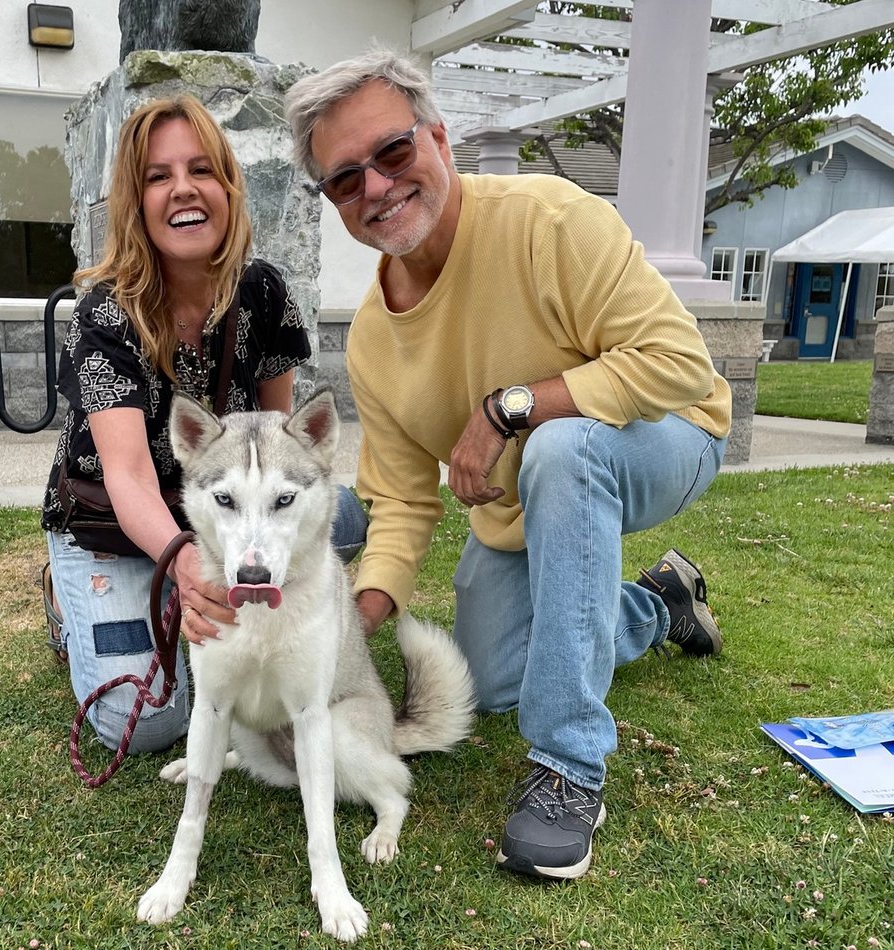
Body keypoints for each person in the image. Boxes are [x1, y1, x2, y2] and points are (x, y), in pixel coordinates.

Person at [285, 51, 732, 880]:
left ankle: (569, 766)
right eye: (346, 179)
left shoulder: (549, 220)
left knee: (561, 450)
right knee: (490, 686)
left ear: (440, 138)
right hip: (524, 507)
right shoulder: (374, 342)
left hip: (669, 435)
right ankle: (657, 607)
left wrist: (510, 408)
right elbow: (402, 503)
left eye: (392, 152)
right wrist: (353, 622)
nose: (377, 188)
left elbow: (681, 366)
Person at [40, 95, 366, 755]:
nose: (183, 189)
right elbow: (129, 476)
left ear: (227, 185)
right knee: (148, 723)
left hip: (217, 514)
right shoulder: (104, 314)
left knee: (345, 517)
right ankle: (66, 600)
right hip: (113, 526)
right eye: (158, 176)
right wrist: (185, 563)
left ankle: (183, 594)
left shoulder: (265, 293)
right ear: (137, 202)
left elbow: (282, 448)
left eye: (200, 169)